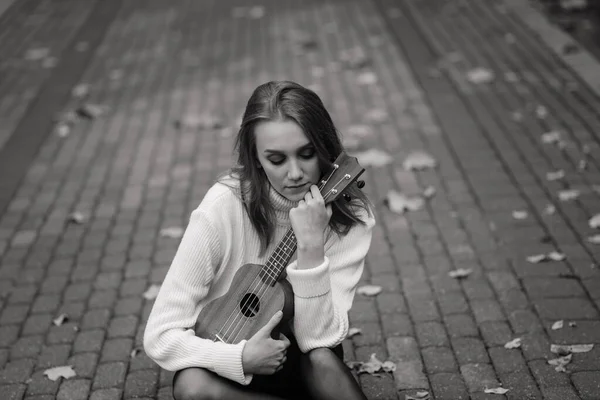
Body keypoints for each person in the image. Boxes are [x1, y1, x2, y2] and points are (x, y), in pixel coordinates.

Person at [144, 80, 375, 400]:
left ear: (323, 148)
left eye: (306, 154)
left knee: (323, 359)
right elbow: (160, 335)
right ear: (256, 158)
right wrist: (239, 358)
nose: (295, 173)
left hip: (301, 361)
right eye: (277, 159)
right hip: (228, 364)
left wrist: (311, 246)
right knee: (191, 387)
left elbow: (318, 340)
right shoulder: (223, 207)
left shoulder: (349, 220)